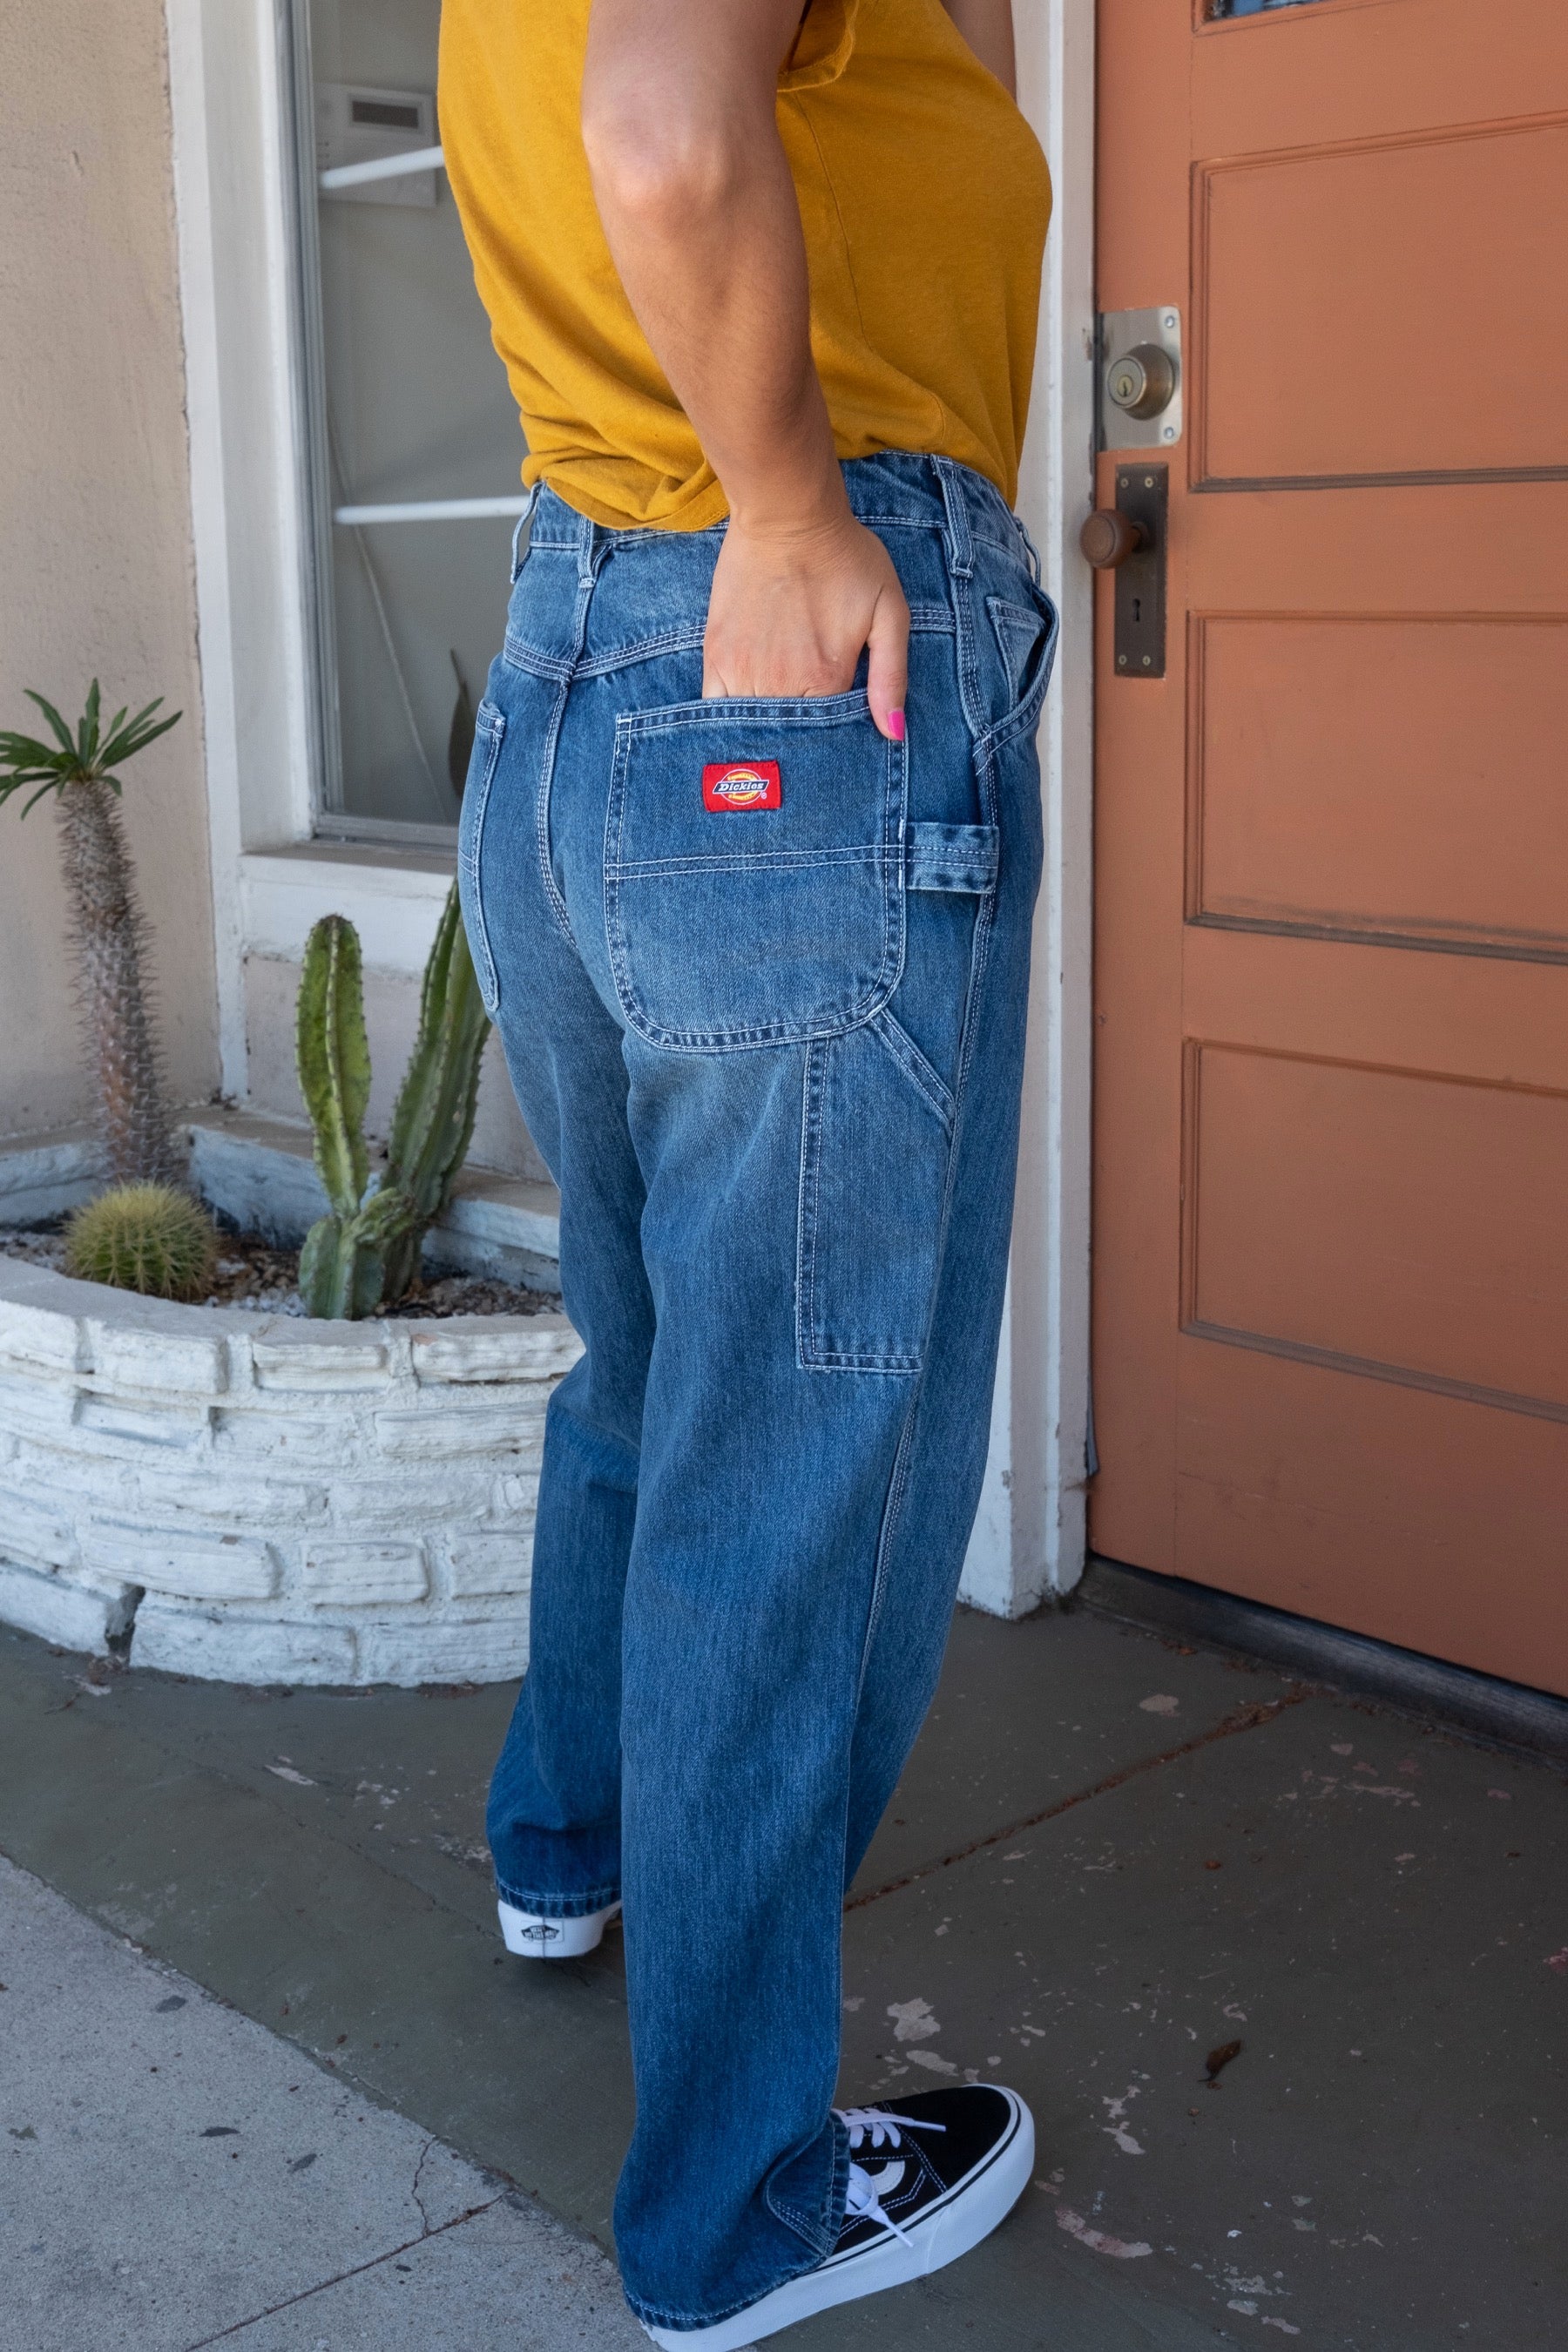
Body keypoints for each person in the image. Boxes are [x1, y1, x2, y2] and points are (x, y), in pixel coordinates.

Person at [438, 3, 1055, 2341]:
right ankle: (738, 2215)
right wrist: (795, 511)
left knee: (653, 1352)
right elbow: (669, 143)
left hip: (576, 642)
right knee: (800, 1458)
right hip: (792, 616)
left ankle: (568, 1844)